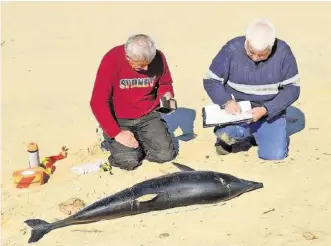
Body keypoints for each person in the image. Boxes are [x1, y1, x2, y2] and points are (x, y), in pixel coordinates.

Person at [203, 18, 300, 160]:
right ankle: (235, 133)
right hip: (237, 111)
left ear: (271, 47)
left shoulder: (284, 52)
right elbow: (211, 80)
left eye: (262, 55)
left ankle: (257, 133)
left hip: (268, 112)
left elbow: (292, 89)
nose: (255, 58)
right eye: (251, 52)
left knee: (274, 155)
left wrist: (267, 109)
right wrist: (227, 102)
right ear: (246, 41)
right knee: (227, 135)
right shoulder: (231, 48)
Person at [90, 34, 177, 171]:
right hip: (119, 118)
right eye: (140, 66)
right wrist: (117, 133)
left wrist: (167, 95)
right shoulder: (112, 59)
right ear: (127, 57)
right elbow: (97, 102)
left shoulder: (159, 57)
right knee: (128, 161)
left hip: (148, 115)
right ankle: (111, 140)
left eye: (149, 64)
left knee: (164, 156)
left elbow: (165, 83)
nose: (147, 70)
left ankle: (139, 141)